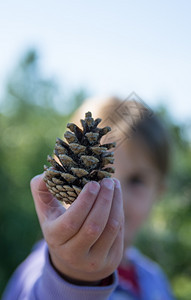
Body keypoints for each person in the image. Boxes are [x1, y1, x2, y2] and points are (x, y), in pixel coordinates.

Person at [2, 96, 176, 300]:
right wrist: (72, 276)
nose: (114, 193)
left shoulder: (155, 280)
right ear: (63, 176)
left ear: (159, 192)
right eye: (99, 177)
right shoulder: (42, 268)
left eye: (136, 180)